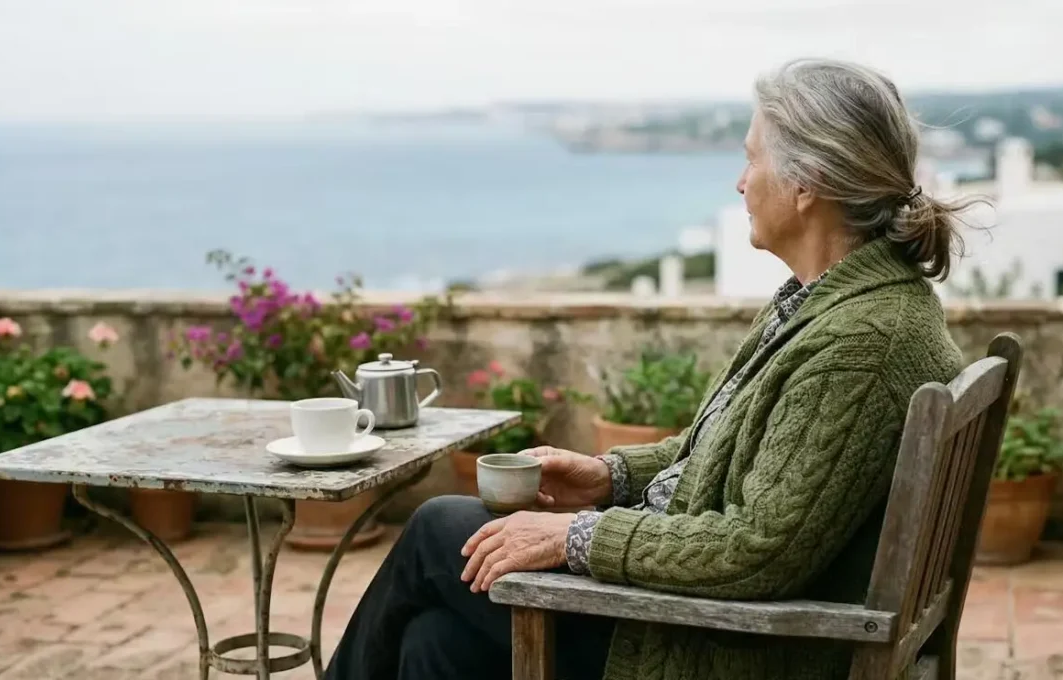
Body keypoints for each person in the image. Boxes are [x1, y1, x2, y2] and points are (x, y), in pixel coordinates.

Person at [323, 57, 979, 680]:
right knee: (435, 644)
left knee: (437, 529)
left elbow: (758, 548)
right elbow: (725, 462)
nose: (740, 181)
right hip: (705, 616)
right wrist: (610, 478)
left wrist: (575, 537)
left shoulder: (860, 346)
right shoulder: (835, 304)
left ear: (807, 184)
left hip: (719, 645)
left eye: (752, 159)